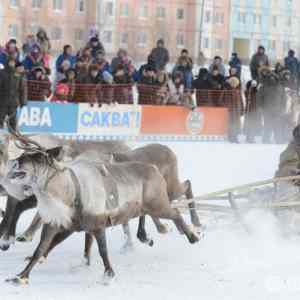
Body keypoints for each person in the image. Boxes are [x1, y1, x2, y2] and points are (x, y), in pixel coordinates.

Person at [0, 58, 27, 130]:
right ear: (7, 63)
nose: (11, 64)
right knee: (0, 119)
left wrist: (23, 101)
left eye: (13, 62)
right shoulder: (2, 73)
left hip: (13, 102)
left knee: (13, 122)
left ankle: (13, 136)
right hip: (2, 102)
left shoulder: (18, 74)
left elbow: (23, 89)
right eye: (10, 62)